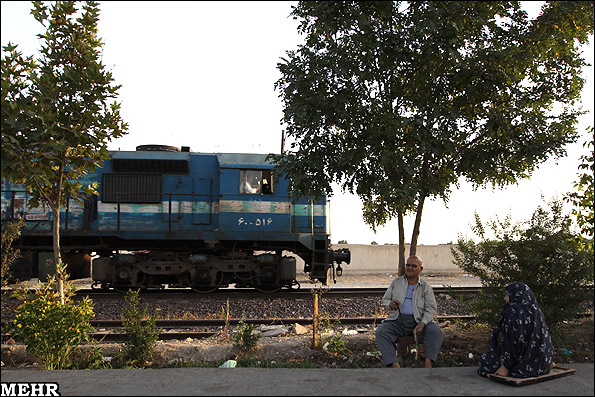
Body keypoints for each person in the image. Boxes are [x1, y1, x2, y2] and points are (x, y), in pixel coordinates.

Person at [375, 255, 442, 368]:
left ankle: (428, 364)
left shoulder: (425, 287)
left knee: (435, 331)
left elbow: (431, 308)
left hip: (418, 322)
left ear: (420, 269)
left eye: (414, 266)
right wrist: (390, 304)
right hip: (397, 321)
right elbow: (385, 300)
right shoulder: (396, 283)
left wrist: (422, 323)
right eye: (408, 265)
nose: (410, 268)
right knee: (381, 332)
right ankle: (394, 365)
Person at [477, 282, 554, 378]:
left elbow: (513, 343)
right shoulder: (535, 309)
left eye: (507, 295)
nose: (505, 298)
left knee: (486, 361)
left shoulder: (514, 312)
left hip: (524, 366)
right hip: (544, 364)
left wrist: (505, 367)